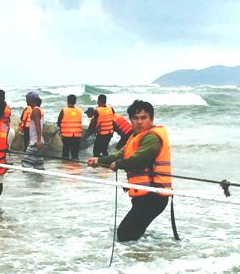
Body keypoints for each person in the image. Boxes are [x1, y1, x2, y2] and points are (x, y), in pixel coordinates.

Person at [87, 100, 171, 242]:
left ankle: (138, 260)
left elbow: (139, 160)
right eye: (135, 118)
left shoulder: (151, 137)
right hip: (142, 194)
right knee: (133, 233)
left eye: (143, 118)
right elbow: (120, 154)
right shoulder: (134, 136)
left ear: (151, 119)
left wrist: (117, 164)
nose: (139, 122)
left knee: (125, 233)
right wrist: (99, 161)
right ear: (131, 120)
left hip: (154, 196)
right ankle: (143, 255)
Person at [21, 92, 44, 170]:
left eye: (27, 99)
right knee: (38, 165)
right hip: (37, 140)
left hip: (35, 142)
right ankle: (38, 180)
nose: (26, 101)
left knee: (25, 164)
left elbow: (38, 126)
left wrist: (38, 140)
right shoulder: (38, 109)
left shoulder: (35, 110)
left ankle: (28, 181)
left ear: (31, 100)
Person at [57, 94, 83, 160]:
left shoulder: (64, 110)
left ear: (67, 101)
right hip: (77, 136)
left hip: (66, 136)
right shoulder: (79, 111)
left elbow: (59, 123)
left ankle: (66, 168)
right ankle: (75, 168)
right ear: (75, 102)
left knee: (65, 154)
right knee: (75, 155)